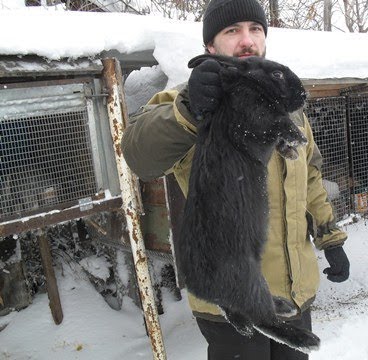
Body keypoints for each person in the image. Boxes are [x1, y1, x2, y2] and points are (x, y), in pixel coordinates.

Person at [121, 0, 350, 358]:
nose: (247, 40)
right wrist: (187, 111)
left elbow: (310, 176)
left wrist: (330, 237)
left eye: (255, 29)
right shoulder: (189, 99)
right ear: (210, 46)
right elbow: (138, 154)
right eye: (232, 31)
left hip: (294, 295)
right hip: (229, 303)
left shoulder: (284, 103)